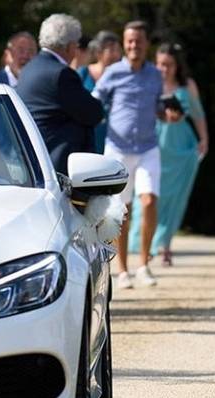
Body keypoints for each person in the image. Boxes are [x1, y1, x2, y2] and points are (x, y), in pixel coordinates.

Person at [93, 21, 162, 288]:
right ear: (125, 43)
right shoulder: (113, 72)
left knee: (148, 202)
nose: (134, 46)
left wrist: (167, 113)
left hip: (147, 148)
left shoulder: (155, 75)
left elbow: (158, 107)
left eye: (139, 41)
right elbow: (95, 99)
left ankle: (143, 264)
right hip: (118, 149)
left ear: (146, 44)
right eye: (130, 41)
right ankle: (122, 270)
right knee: (121, 209)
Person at [129, 43, 209, 266]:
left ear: (176, 66)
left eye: (169, 65)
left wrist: (204, 139)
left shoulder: (187, 85)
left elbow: (198, 115)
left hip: (180, 148)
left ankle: (164, 245)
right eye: (161, 64)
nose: (164, 69)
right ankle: (147, 244)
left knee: (174, 200)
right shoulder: (148, 81)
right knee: (148, 195)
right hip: (152, 145)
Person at [16, 13, 105, 176]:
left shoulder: (29, 68)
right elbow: (93, 113)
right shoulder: (62, 74)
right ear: (70, 46)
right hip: (56, 166)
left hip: (30, 160)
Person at [76, 31, 120, 152]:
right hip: (88, 136)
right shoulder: (83, 73)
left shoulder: (122, 76)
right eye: (111, 50)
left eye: (118, 50)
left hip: (115, 139)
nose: (116, 55)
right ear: (99, 52)